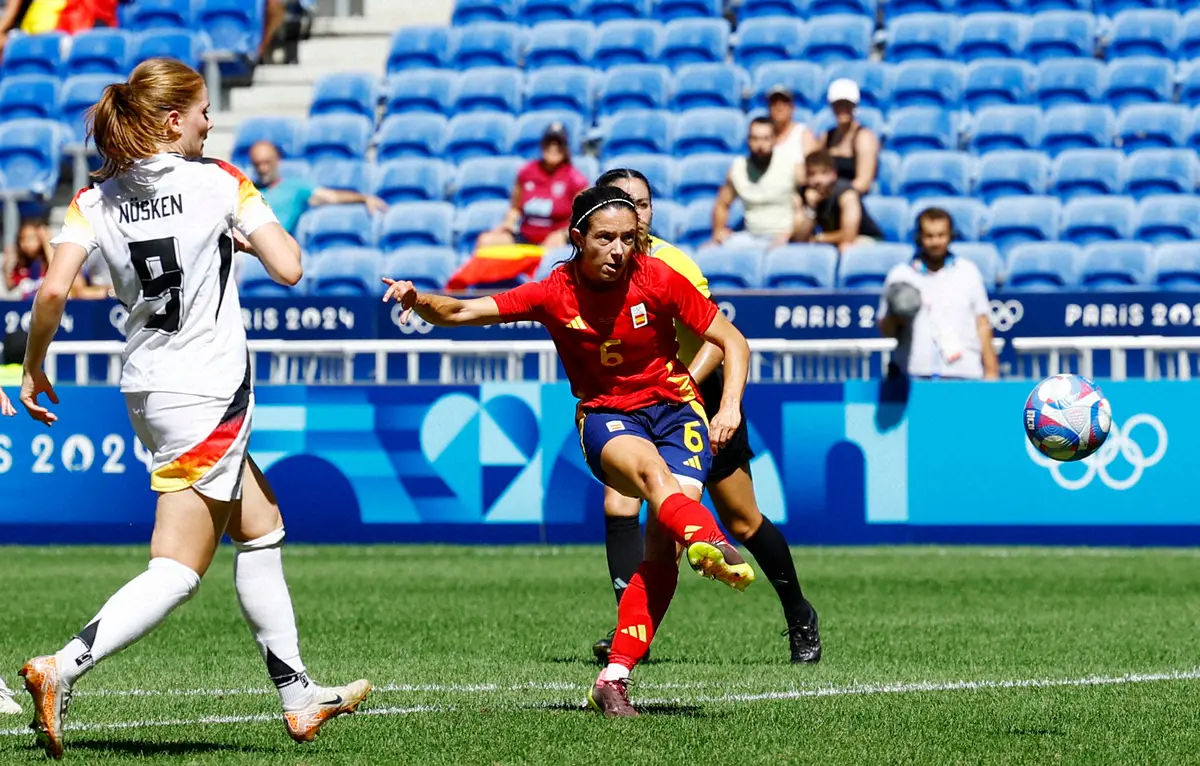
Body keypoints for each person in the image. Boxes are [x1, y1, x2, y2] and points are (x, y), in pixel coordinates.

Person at [15, 58, 370, 760]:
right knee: (178, 569)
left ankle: (299, 697)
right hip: (208, 390)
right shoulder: (220, 182)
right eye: (205, 109)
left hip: (148, 386)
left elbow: (52, 292)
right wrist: (239, 234)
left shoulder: (96, 197)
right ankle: (62, 666)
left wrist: (33, 364)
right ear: (173, 119)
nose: (212, 121)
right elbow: (291, 267)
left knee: (262, 526)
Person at [382, 185, 756, 718]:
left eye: (630, 238)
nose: (619, 250)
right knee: (655, 478)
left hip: (678, 411)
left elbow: (733, 341)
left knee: (660, 553)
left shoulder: (658, 278)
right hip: (608, 417)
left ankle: (614, 677)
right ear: (578, 239)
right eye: (606, 238)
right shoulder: (552, 292)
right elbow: (462, 313)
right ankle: (708, 536)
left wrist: (729, 409)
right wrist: (419, 301)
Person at [591, 168, 821, 665]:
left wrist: (688, 397)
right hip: (638, 409)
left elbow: (721, 341)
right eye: (625, 203)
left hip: (697, 399)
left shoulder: (673, 264)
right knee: (622, 507)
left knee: (742, 519)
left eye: (644, 203)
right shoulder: (598, 272)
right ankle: (631, 634)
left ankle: (800, 614)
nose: (637, 212)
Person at [879, 207, 1000, 381]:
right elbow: (887, 331)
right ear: (919, 238)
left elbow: (982, 323)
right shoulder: (900, 275)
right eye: (929, 236)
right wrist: (896, 314)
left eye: (941, 235)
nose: (935, 242)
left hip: (963, 373)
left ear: (950, 235)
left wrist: (991, 370)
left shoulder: (968, 271)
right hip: (915, 373)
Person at [476, 122, 588, 251]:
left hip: (554, 239)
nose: (553, 147)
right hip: (525, 236)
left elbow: (583, 219)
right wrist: (507, 223)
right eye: (549, 142)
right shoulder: (527, 172)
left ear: (566, 148)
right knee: (486, 241)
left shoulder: (575, 179)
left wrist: (563, 235)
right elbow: (515, 208)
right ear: (542, 145)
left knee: (552, 250)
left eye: (558, 143)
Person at [248, 140, 387, 235]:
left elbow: (332, 197)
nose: (263, 169)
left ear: (277, 160)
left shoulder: (296, 187)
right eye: (257, 164)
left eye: (267, 162)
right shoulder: (247, 190)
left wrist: (363, 198)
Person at [711, 117, 798, 248]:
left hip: (785, 237)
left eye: (766, 139)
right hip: (750, 236)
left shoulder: (791, 166)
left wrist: (790, 234)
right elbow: (722, 204)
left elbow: (805, 209)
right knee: (709, 250)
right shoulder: (738, 168)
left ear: (774, 140)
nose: (760, 145)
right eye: (755, 139)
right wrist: (719, 231)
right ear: (748, 141)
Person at [796, 149, 883, 252]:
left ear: (834, 174)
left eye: (824, 173)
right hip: (830, 243)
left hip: (865, 238)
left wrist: (820, 238)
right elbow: (799, 238)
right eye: (812, 174)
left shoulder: (846, 193)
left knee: (846, 247)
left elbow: (849, 235)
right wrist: (811, 208)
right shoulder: (804, 194)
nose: (818, 180)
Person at [816, 78, 879, 197]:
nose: (842, 108)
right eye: (838, 104)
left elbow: (863, 182)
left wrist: (836, 195)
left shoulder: (864, 137)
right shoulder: (827, 136)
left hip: (852, 199)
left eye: (846, 104)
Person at [765, 85, 816, 178]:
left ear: (792, 107)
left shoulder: (803, 133)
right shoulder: (764, 134)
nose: (779, 106)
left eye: (784, 102)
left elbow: (813, 168)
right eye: (774, 102)